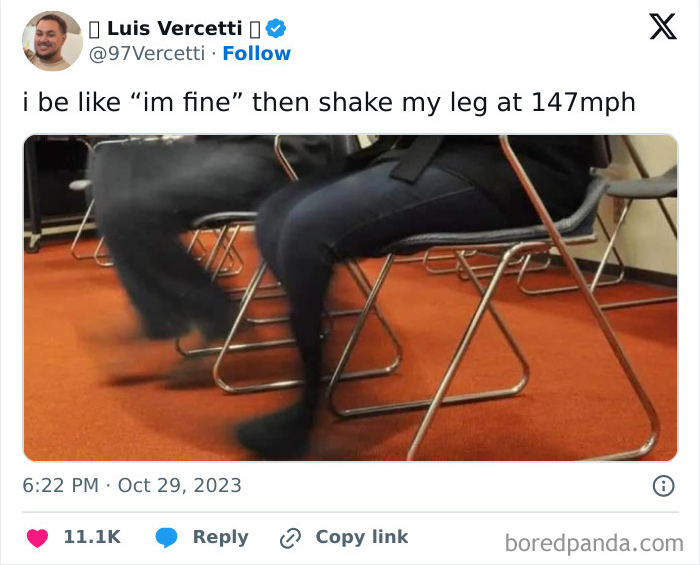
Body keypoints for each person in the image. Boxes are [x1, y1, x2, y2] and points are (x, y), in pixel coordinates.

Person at [236, 135, 601, 459]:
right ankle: (331, 372)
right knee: (275, 214)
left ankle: (307, 409)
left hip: (519, 165)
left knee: (307, 227)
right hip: (444, 151)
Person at [90, 135, 335, 347]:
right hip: (222, 145)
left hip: (274, 154)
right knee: (112, 160)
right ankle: (165, 315)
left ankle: (204, 318)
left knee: (131, 205)